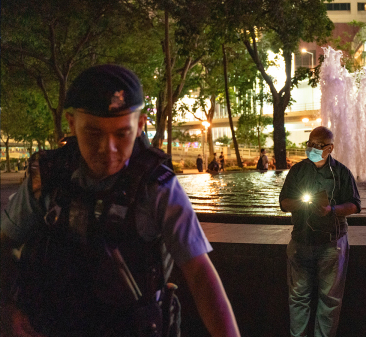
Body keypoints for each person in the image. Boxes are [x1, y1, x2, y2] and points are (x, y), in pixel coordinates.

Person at [0, 64, 240, 337]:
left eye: (121, 134)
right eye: (93, 133)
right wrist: (9, 309)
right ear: (71, 123)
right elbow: (5, 244)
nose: (107, 148)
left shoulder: (157, 186)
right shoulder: (47, 177)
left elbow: (199, 274)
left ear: (140, 125)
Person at [279, 126, 361, 337]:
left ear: (330, 148)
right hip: (301, 243)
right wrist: (301, 204)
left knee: (330, 300)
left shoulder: (342, 173)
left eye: (318, 145)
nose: (312, 149)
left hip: (332, 244)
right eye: (309, 144)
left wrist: (331, 209)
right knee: (298, 298)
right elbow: (284, 202)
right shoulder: (297, 171)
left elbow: (354, 205)